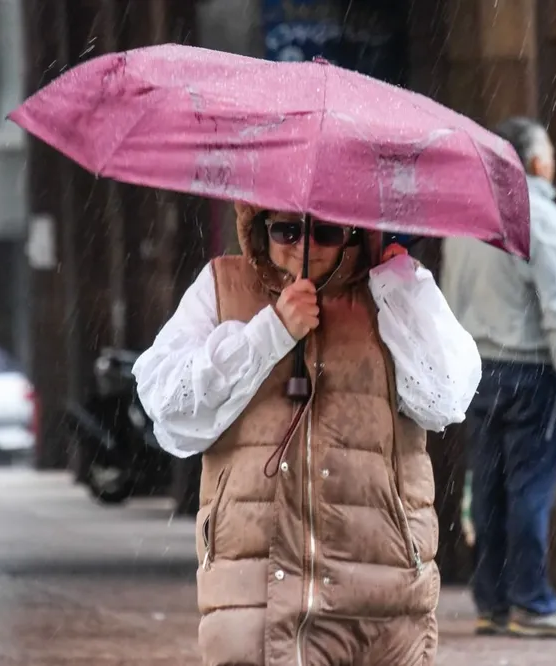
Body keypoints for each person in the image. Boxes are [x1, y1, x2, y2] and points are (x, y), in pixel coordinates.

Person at [132, 205, 472, 666]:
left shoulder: (393, 286)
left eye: (326, 231)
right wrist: (269, 332)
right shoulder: (222, 286)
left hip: (377, 587)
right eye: (287, 230)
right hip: (251, 588)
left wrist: (398, 288)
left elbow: (445, 399)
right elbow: (168, 402)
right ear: (260, 228)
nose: (305, 246)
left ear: (352, 232)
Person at [441, 117, 556, 639]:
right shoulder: (540, 218)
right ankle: (532, 600)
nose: (551, 162)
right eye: (548, 152)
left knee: (488, 491)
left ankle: (493, 601)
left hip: (477, 374)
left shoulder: (464, 221)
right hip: (532, 371)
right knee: (530, 489)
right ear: (534, 162)